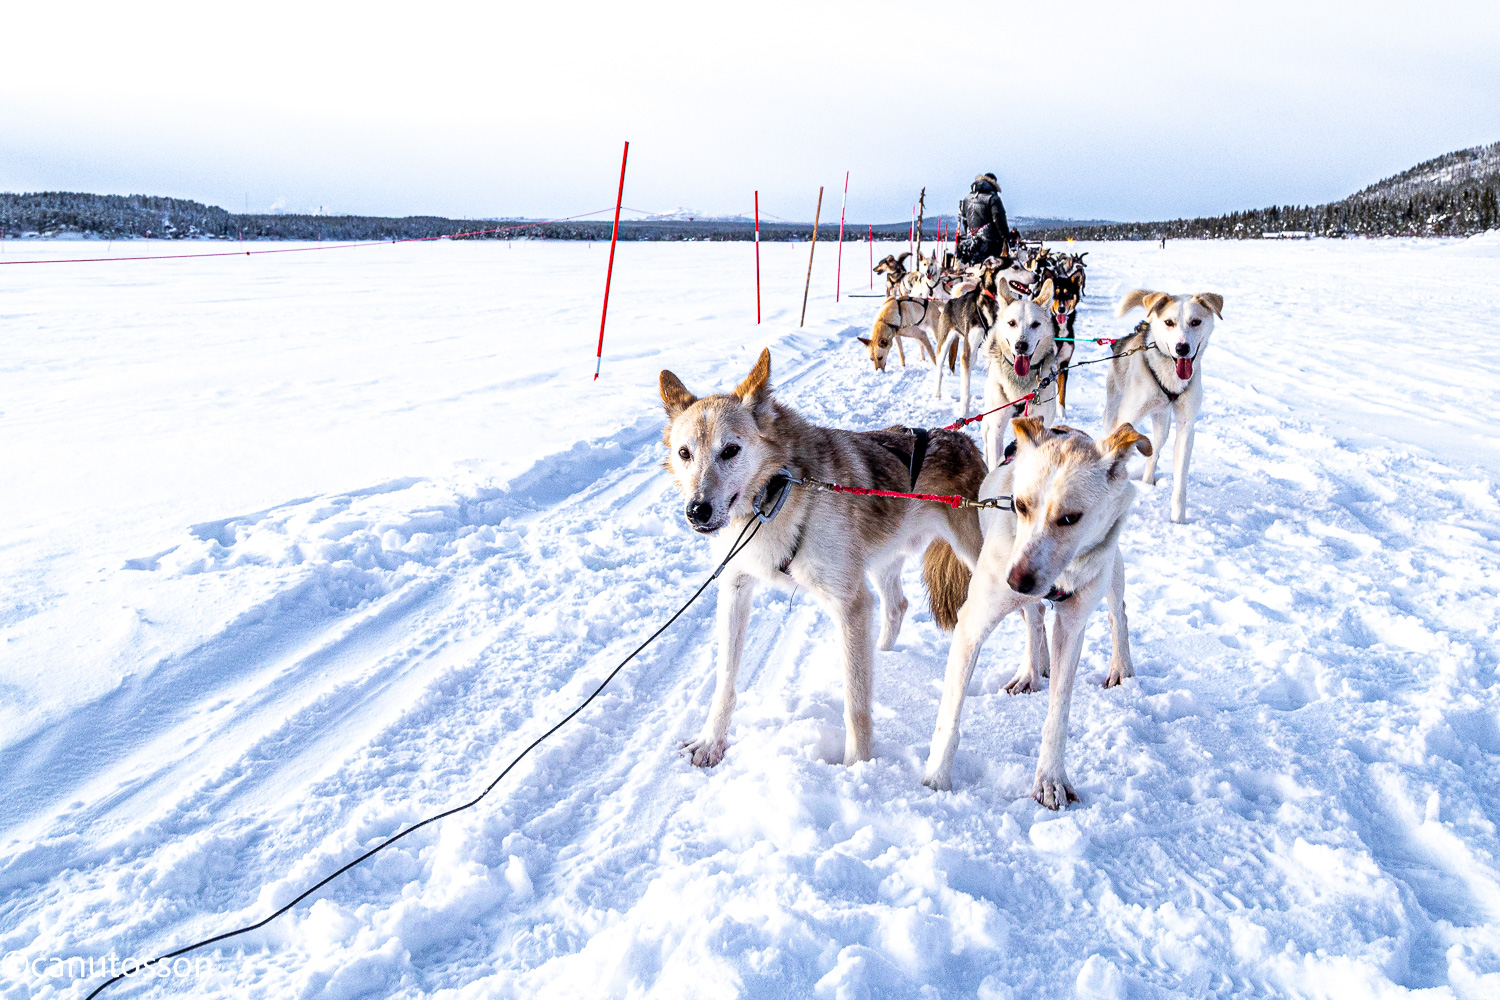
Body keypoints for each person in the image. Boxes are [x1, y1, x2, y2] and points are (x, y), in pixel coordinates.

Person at [957, 173, 1010, 264]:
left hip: (971, 241)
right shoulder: (993, 198)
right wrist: (1005, 237)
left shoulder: (967, 198)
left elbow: (965, 220)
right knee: (991, 268)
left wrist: (970, 233)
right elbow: (998, 219)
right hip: (990, 242)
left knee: (974, 269)